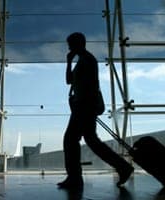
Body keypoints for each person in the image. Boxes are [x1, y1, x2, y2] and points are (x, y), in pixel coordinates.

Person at [57, 32, 134, 189]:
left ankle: (75, 178)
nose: (69, 47)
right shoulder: (84, 60)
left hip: (84, 106)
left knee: (71, 140)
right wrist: (69, 62)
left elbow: (89, 86)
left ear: (78, 44)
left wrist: (84, 106)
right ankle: (122, 167)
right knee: (90, 140)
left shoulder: (87, 60)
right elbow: (69, 81)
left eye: (70, 44)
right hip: (84, 106)